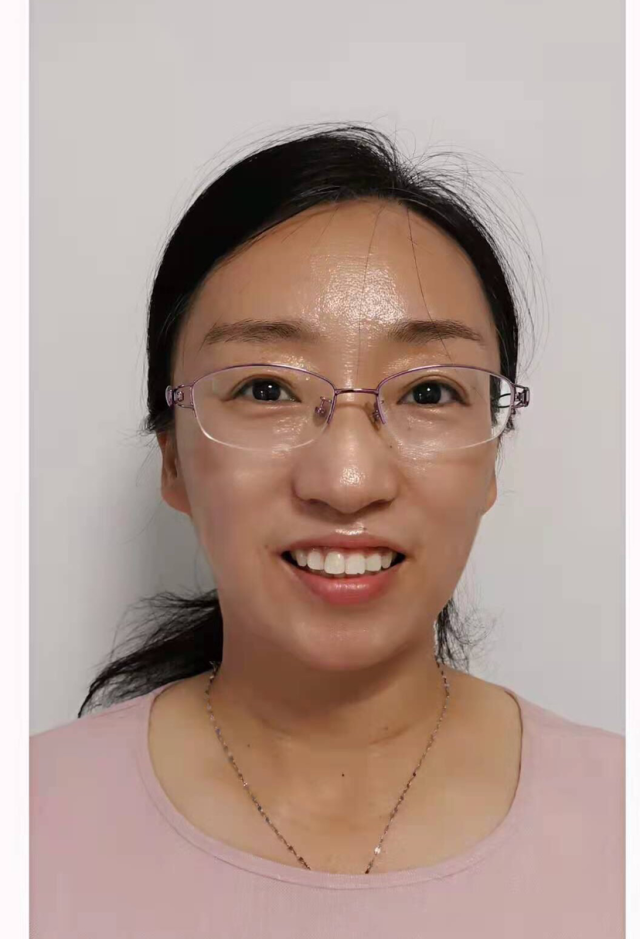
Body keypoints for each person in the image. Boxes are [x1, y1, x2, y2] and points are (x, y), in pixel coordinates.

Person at [30, 124, 624, 937]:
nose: (348, 480)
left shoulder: (617, 821)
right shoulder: (32, 824)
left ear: (493, 456)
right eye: (266, 388)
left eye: (428, 392)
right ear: (172, 456)